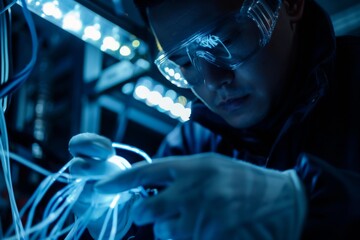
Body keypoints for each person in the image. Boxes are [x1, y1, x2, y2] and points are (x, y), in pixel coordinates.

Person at [72, 0, 360, 239]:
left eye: (225, 41)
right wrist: (121, 224)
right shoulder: (190, 145)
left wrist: (312, 205)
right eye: (184, 63)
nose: (212, 81)